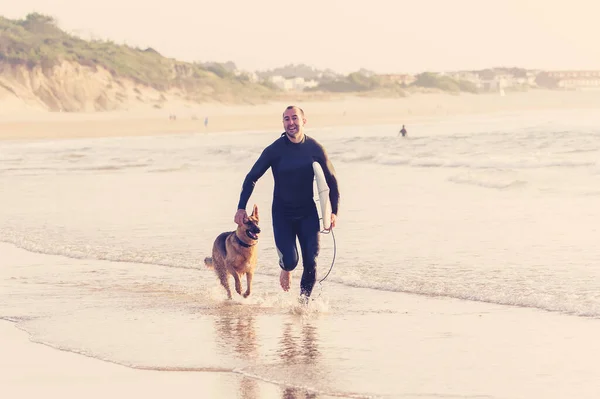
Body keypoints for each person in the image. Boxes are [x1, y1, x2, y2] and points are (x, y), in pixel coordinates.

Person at [234, 106, 340, 299]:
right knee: (291, 261)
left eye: (294, 118)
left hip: (307, 213)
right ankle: (286, 268)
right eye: (286, 119)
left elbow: (331, 180)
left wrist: (333, 211)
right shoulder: (275, 150)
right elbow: (251, 177)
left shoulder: (315, 149)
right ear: (283, 123)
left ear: (304, 121)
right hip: (283, 214)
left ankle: (303, 303)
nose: (291, 123)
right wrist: (241, 206)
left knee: (312, 260)